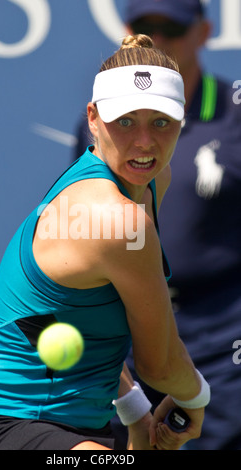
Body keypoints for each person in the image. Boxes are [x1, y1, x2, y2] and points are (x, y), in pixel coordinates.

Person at [0, 34, 210, 451]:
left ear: (182, 121)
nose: (144, 142)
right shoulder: (116, 219)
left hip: (78, 426)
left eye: (161, 121)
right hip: (5, 426)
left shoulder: (150, 182)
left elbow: (60, 319)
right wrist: (197, 398)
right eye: (125, 121)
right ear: (92, 118)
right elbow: (159, 365)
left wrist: (135, 410)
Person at [75, 0, 241, 450]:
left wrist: (197, 391)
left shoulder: (235, 113)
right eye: (150, 27)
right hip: (125, 338)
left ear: (204, 32)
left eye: (173, 28)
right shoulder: (100, 128)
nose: (161, 39)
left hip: (223, 341)